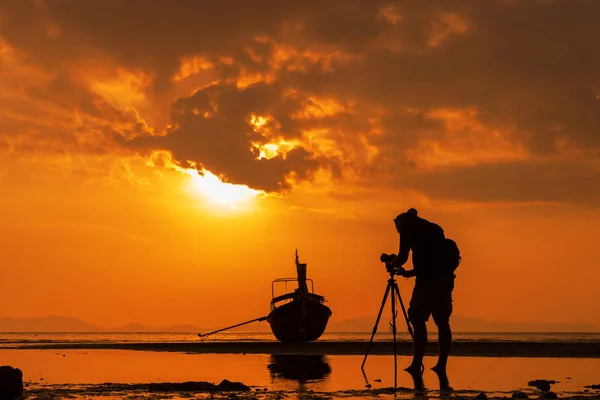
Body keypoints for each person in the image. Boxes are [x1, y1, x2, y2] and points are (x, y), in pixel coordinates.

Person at [384, 207, 456, 380]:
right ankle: (441, 365)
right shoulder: (432, 228)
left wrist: (391, 264)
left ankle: (417, 364)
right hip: (445, 279)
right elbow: (428, 263)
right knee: (442, 321)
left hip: (428, 281)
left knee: (416, 316)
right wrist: (407, 273)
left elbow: (402, 257)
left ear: (399, 224)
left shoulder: (408, 228)